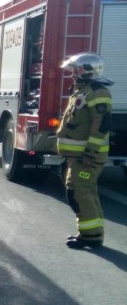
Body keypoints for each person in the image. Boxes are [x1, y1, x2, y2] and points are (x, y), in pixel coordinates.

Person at [56, 53, 113, 249]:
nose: (72, 75)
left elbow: (101, 125)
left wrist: (90, 153)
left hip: (87, 157)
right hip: (78, 157)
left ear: (86, 71)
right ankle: (93, 234)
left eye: (75, 71)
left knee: (77, 192)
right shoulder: (83, 90)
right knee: (87, 192)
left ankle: (89, 236)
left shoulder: (98, 92)